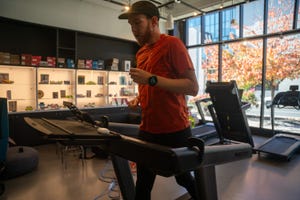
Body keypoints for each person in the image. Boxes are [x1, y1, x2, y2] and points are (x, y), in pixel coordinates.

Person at [118, 1, 199, 199]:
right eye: (131, 25)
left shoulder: (172, 44)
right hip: (148, 129)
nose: (134, 30)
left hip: (175, 128)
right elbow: (153, 86)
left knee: (183, 178)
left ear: (154, 21)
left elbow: (192, 87)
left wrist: (150, 80)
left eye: (138, 23)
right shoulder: (142, 52)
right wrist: (140, 97)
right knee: (143, 184)